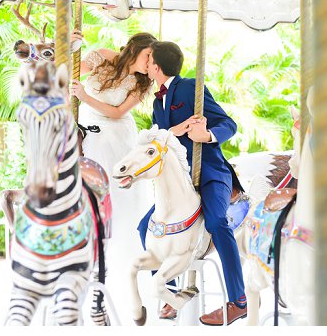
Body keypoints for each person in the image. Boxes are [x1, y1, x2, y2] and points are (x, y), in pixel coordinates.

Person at [135, 41, 247, 325]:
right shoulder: (157, 101)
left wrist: (207, 135)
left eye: (149, 61)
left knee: (217, 223)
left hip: (210, 172)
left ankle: (239, 301)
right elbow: (157, 139)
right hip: (181, 181)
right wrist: (175, 131)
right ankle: (170, 293)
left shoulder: (189, 88)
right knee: (144, 227)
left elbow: (228, 123)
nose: (145, 65)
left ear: (156, 67)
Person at [69, 32, 157, 323]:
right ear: (136, 49)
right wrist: (72, 48)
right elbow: (73, 69)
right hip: (86, 124)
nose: (149, 63)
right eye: (148, 57)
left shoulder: (141, 84)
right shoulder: (105, 55)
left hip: (114, 132)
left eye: (152, 60)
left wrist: (84, 97)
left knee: (114, 183)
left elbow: (118, 112)